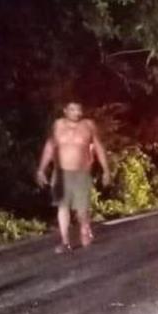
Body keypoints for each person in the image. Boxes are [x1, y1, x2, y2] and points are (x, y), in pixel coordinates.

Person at [35, 102, 110, 253]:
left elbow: (98, 147)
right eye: (73, 109)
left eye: (79, 109)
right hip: (61, 172)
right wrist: (41, 169)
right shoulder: (58, 125)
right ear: (65, 111)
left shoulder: (88, 125)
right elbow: (50, 146)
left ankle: (84, 227)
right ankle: (65, 242)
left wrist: (106, 170)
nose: (77, 112)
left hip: (81, 173)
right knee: (62, 206)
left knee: (81, 210)